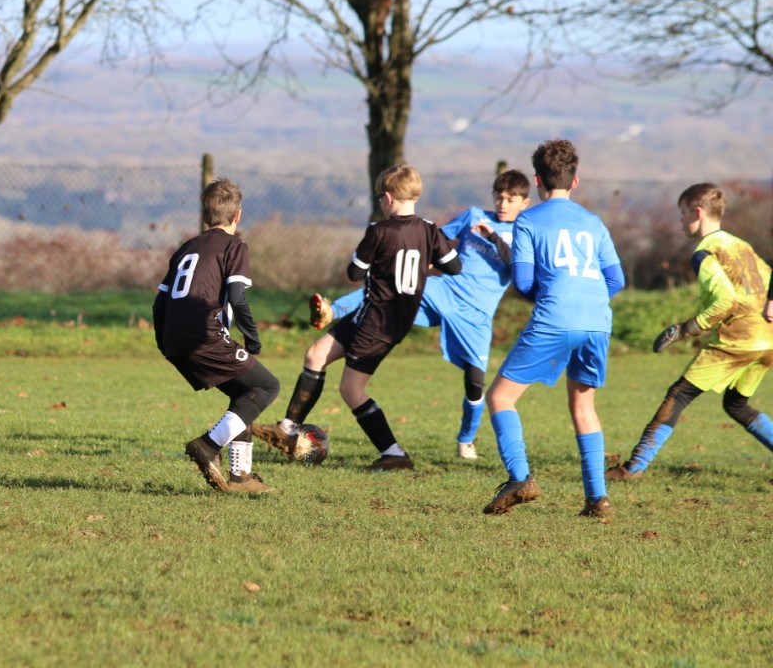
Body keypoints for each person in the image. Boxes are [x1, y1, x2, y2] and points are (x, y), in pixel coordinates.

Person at [299, 169, 531, 460]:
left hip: (476, 314)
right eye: (499, 197)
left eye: (511, 199)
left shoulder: (525, 230)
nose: (503, 204)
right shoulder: (473, 215)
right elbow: (432, 241)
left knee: (475, 383)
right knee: (387, 292)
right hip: (443, 290)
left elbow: (519, 266)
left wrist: (493, 237)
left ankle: (465, 440)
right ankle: (335, 310)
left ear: (524, 203)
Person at [256, 163, 462, 470]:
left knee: (351, 389)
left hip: (378, 321)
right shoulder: (430, 230)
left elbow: (354, 273)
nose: (380, 202)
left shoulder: (379, 231)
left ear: (389, 197)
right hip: (382, 317)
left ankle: (393, 453)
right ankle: (287, 428)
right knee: (315, 355)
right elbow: (454, 267)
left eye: (380, 197)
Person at [481, 139, 624, 518]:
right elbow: (616, 280)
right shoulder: (593, 222)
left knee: (500, 398)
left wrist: (552, 296)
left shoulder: (529, 219)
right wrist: (587, 298)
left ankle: (520, 478)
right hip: (598, 320)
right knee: (583, 405)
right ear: (575, 181)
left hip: (555, 318)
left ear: (536, 180)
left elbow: (524, 282)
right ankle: (598, 499)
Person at [606, 184, 773, 482]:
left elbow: (726, 300)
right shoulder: (741, 245)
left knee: (679, 394)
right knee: (736, 404)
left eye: (682, 214)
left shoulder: (704, 251)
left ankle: (633, 468)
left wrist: (685, 329)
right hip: (768, 337)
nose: (681, 221)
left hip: (739, 338)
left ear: (697, 213)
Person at [153, 177, 281, 493]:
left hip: (174, 340)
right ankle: (208, 445)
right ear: (238, 216)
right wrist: (252, 338)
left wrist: (165, 343)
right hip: (205, 335)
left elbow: (159, 303)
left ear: (204, 215)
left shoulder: (186, 248)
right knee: (267, 386)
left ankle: (241, 476)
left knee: (244, 396)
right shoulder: (234, 245)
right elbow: (237, 297)